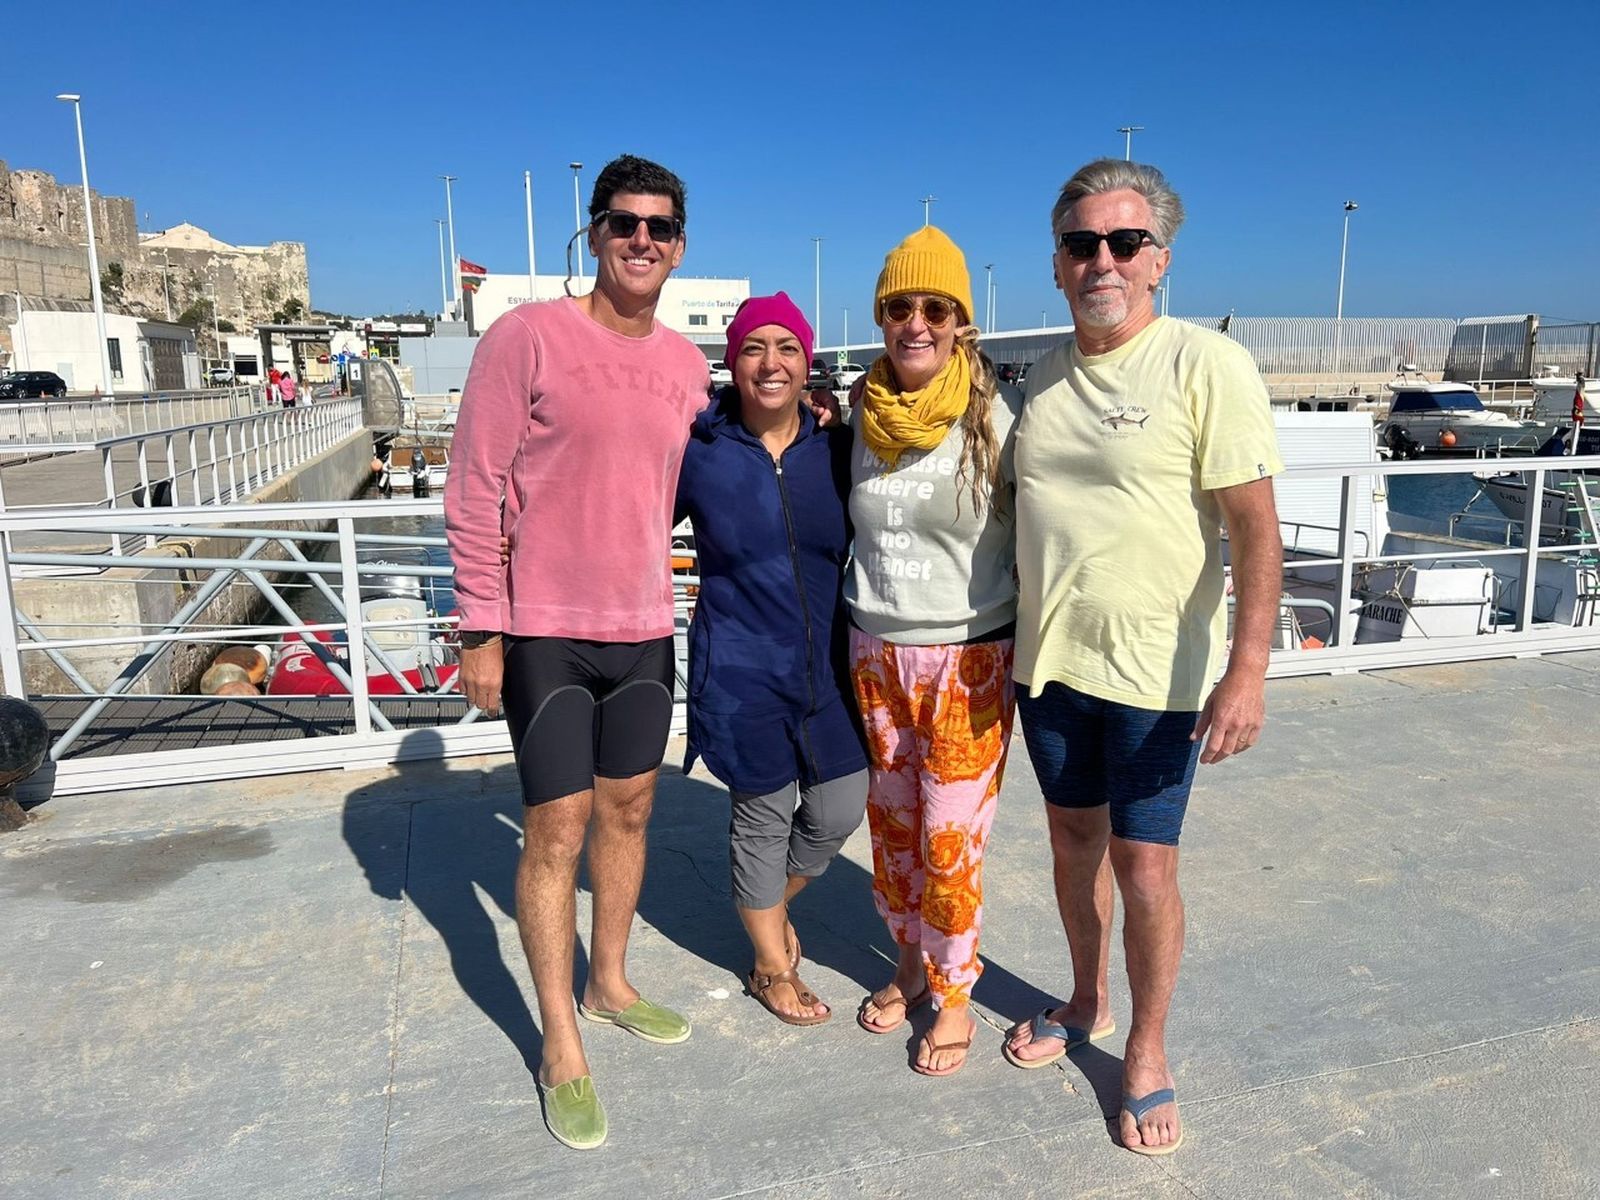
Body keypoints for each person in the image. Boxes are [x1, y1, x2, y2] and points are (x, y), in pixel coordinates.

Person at [1002, 159, 1284, 1157]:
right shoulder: (1039, 375)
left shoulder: (1205, 365)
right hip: (1050, 667)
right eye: (1082, 243)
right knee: (1071, 846)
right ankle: (1085, 1001)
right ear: (1057, 263)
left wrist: (1245, 670)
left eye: (1123, 242)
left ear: (1158, 260)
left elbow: (1254, 530)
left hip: (1159, 678)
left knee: (1145, 868)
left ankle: (1150, 1050)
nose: (1102, 260)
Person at [444, 155, 709, 1152]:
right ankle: (560, 1039)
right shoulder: (528, 338)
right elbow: (473, 487)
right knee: (555, 831)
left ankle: (608, 984)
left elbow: (688, 489)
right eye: (624, 223)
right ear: (594, 234)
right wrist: (481, 626)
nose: (643, 240)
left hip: (644, 627)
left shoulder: (687, 368)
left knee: (629, 812)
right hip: (546, 630)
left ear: (680, 245)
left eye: (661, 227)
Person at [845, 227, 1024, 1076]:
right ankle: (909, 965)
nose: (915, 323)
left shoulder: (997, 417)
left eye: (934, 308)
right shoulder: (860, 411)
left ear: (960, 319)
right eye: (899, 307)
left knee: (952, 841)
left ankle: (955, 998)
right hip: (874, 652)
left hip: (968, 661)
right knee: (896, 830)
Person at [674, 292, 867, 1026]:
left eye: (787, 347)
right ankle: (769, 962)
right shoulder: (700, 452)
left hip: (831, 662)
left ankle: (770, 907)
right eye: (755, 347)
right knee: (761, 816)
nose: (771, 362)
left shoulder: (837, 448)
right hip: (741, 664)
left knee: (837, 809)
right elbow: (627, 518)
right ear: (733, 361)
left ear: (807, 361)